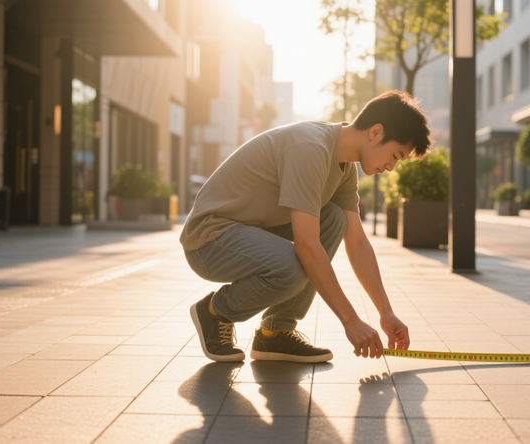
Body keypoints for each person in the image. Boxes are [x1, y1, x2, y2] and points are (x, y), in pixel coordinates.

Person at [181, 90, 432, 363]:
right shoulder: (310, 148)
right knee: (290, 266)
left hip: (247, 230)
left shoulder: (344, 168)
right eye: (395, 155)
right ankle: (214, 311)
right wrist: (351, 321)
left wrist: (386, 312)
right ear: (375, 132)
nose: (392, 166)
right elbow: (307, 247)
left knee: (334, 217)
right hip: (209, 240)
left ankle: (275, 333)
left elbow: (357, 242)